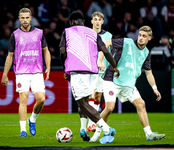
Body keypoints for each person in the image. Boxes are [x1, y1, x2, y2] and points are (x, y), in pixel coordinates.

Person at [90, 26, 165, 142]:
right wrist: (100, 60)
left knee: (141, 104)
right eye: (140, 35)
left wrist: (155, 88)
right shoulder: (126, 42)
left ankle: (149, 134)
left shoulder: (146, 53)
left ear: (149, 38)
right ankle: (97, 133)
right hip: (112, 79)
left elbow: (149, 74)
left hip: (128, 84)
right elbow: (107, 43)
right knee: (109, 108)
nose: (141, 38)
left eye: (144, 36)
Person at [59, 11, 119, 144]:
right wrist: (114, 66)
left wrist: (65, 68)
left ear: (71, 21)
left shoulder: (67, 32)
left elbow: (62, 51)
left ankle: (107, 129)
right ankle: (83, 129)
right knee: (85, 101)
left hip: (77, 71)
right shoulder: (93, 33)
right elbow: (105, 50)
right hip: (92, 71)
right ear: (84, 22)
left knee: (82, 103)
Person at [1, 8, 51, 137]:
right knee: (23, 99)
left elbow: (46, 50)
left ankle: (32, 119)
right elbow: (10, 55)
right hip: (22, 72)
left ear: (31, 18)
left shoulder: (39, 33)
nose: (25, 20)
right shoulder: (15, 35)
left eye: (27, 17)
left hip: (37, 71)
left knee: (41, 99)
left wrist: (48, 67)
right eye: (22, 18)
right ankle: (23, 130)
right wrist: (5, 74)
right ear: (19, 18)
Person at [86, 11, 113, 133]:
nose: (97, 22)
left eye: (99, 20)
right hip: (90, 68)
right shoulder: (86, 34)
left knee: (97, 96)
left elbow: (109, 52)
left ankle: (91, 124)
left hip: (103, 70)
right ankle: (89, 124)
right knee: (91, 95)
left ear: (102, 21)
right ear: (91, 21)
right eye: (95, 19)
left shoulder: (108, 35)